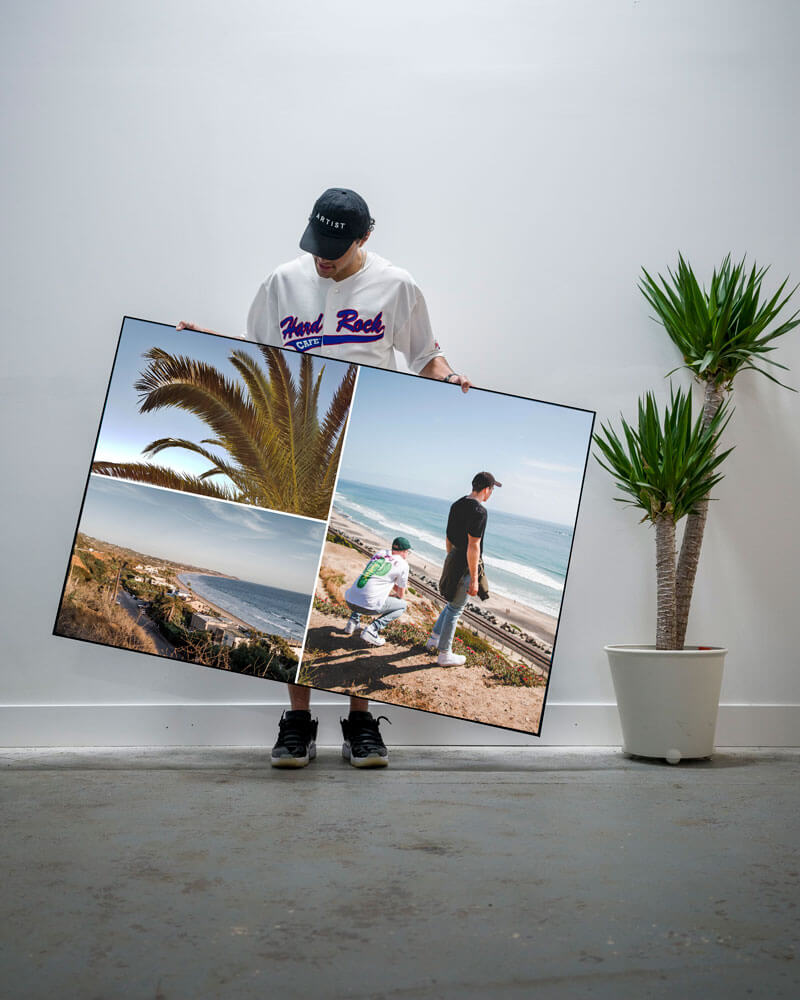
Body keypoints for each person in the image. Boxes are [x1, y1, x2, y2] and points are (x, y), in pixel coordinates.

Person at [181, 187, 471, 769]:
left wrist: (449, 374)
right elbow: (258, 355)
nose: (324, 259)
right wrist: (204, 346)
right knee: (303, 567)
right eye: (317, 246)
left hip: (354, 435)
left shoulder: (398, 286)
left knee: (356, 614)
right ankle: (298, 723)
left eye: (336, 250)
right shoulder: (281, 281)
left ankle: (360, 725)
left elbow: (425, 358)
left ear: (365, 238)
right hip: (293, 448)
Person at [426, 472, 501, 666]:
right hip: (466, 565)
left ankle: (434, 638)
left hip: (452, 557)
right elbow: (473, 546)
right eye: (492, 490)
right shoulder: (480, 512)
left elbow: (449, 536)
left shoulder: (457, 504)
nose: (491, 494)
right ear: (486, 489)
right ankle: (444, 654)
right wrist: (474, 578)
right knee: (455, 609)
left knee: (451, 603)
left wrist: (450, 558)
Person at [344, 536, 412, 649]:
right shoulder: (403, 565)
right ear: (404, 551)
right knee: (402, 606)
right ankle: (372, 630)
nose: (408, 555)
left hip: (350, 600)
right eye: (408, 552)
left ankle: (352, 622)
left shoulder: (380, 553)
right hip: (368, 607)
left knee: (367, 587)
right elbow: (401, 595)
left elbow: (374, 576)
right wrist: (393, 593)